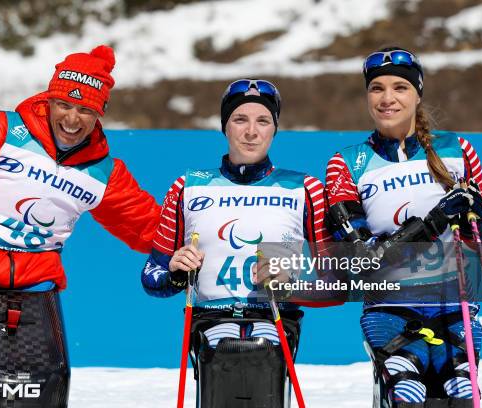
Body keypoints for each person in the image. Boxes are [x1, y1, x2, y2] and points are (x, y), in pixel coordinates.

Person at [0, 45, 160, 407]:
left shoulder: (104, 173)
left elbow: (154, 229)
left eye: (85, 110)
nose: (72, 119)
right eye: (64, 105)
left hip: (38, 297)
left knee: (47, 390)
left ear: (100, 113)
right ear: (49, 99)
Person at [141, 79, 339, 407]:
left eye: (262, 121)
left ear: (274, 129)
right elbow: (152, 276)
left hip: (274, 316)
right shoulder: (187, 187)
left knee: (262, 359)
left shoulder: (305, 188)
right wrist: (176, 271)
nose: (251, 131)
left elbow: (337, 281)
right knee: (223, 360)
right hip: (210, 317)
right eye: (239, 120)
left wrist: (290, 285)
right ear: (225, 127)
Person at [324, 46, 482, 408]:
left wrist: (472, 217)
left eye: (400, 88)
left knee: (463, 397)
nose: (387, 98)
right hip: (391, 310)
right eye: (377, 88)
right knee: (407, 396)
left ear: (417, 94)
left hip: (454, 304)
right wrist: (437, 219)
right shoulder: (346, 163)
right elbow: (363, 259)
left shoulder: (457, 150)